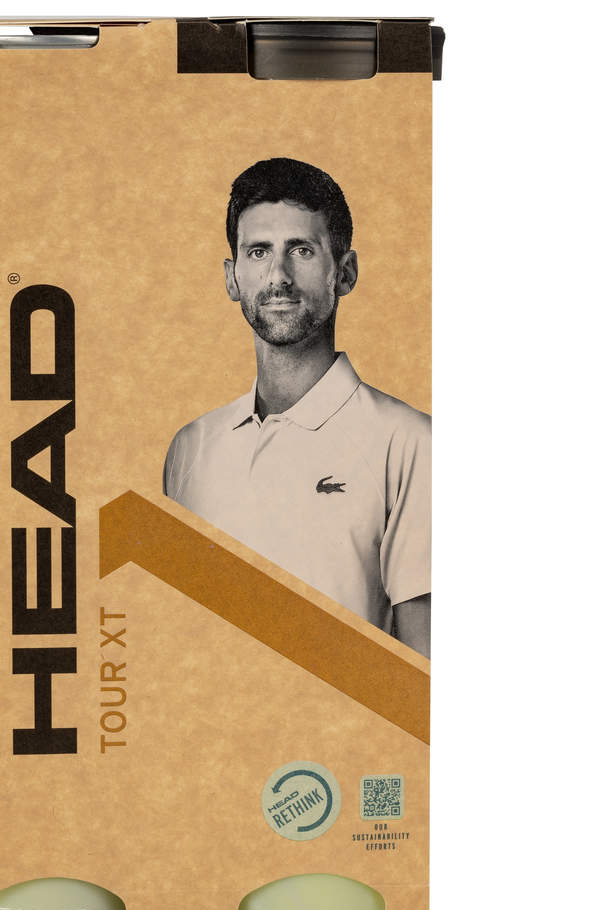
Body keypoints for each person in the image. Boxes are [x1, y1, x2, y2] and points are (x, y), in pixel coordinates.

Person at [163, 158, 430, 657]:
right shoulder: (190, 448)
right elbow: (178, 642)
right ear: (232, 278)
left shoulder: (412, 443)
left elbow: (427, 671)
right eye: (258, 251)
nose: (278, 276)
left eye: (302, 250)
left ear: (344, 273)